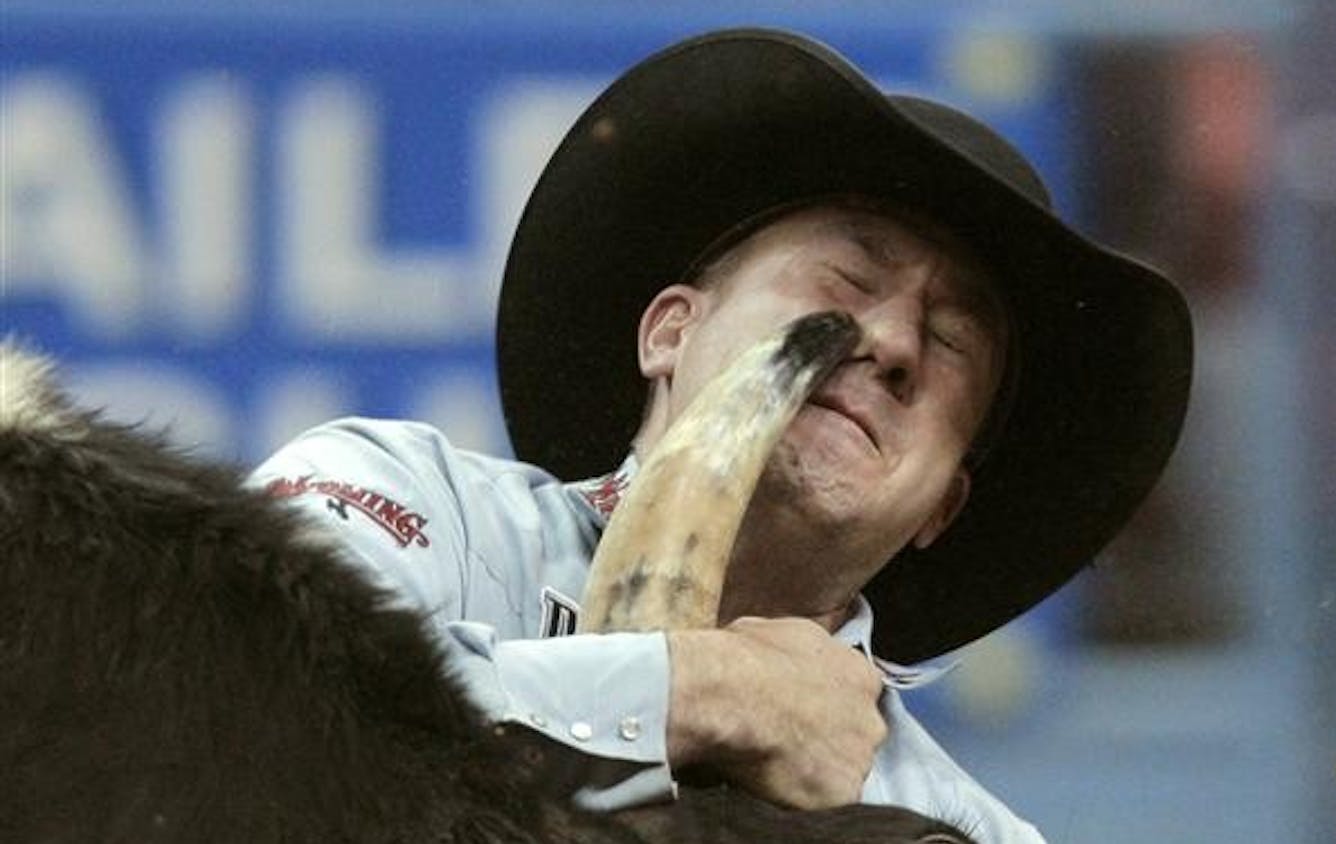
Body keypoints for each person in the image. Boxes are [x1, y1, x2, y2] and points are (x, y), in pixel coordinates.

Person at [250, 28, 1193, 843]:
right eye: (847, 282)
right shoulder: (414, 507)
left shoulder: (960, 830)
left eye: (952, 342)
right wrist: (706, 692)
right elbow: (240, 710)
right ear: (671, 332)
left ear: (939, 505)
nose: (895, 341)